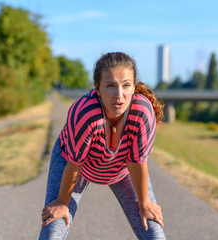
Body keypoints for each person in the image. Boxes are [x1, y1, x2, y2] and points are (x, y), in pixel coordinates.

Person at [39, 52, 166, 239]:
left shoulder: (142, 113)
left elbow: (137, 162)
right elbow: (75, 163)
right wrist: (62, 202)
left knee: (153, 230)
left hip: (122, 169)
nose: (119, 95)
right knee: (54, 226)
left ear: (133, 87)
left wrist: (144, 202)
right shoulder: (86, 113)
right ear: (97, 88)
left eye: (126, 86)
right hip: (75, 166)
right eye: (110, 86)